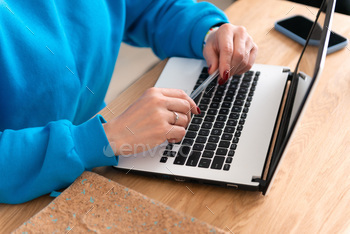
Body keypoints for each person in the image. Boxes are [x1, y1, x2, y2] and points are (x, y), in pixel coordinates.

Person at [0, 0, 257, 204]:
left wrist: (207, 33)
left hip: (100, 148)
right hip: (23, 194)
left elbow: (152, 7)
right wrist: (104, 138)